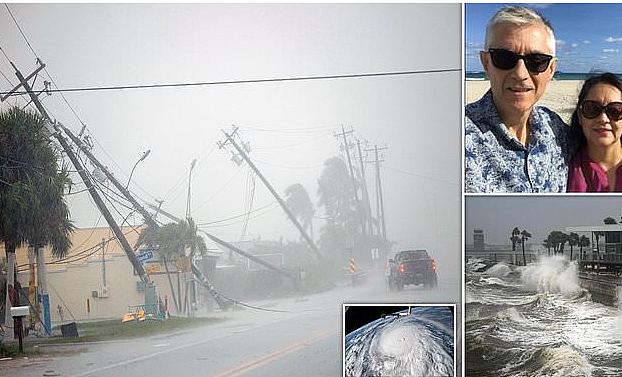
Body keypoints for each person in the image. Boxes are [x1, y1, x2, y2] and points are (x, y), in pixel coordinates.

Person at [465, 6, 573, 192]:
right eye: (504, 58)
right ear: (486, 63)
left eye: (536, 61)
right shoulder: (457, 138)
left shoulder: (556, 128)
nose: (520, 73)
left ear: (551, 69)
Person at [567, 73, 622, 192]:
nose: (603, 119)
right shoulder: (562, 171)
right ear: (580, 116)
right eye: (592, 109)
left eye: (615, 111)